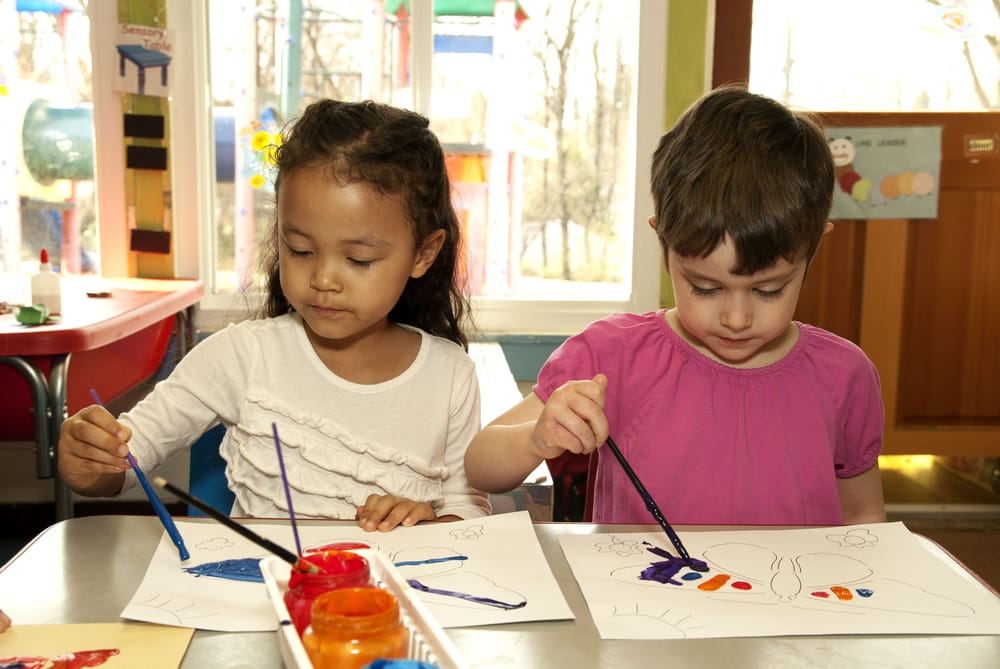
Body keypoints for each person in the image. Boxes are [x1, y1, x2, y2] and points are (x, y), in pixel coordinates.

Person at [59, 99, 490, 531]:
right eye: (300, 250)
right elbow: (127, 460)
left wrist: (426, 521)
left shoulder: (450, 376)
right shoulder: (241, 356)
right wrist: (92, 460)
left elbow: (468, 514)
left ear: (423, 253)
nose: (323, 278)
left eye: (359, 259)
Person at [464, 86, 886, 526]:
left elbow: (863, 513)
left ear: (814, 250)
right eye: (705, 287)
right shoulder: (610, 356)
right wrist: (536, 439)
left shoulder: (844, 376)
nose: (736, 318)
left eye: (768, 290)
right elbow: (479, 464)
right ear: (663, 242)